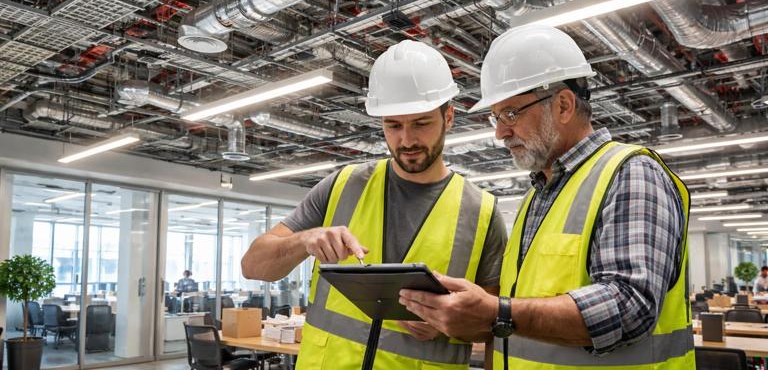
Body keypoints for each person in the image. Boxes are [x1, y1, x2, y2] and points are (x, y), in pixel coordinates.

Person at [399, 25, 694, 369]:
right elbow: (518, 318)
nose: (500, 133)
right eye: (496, 117)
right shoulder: (537, 196)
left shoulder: (631, 173)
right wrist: (468, 316)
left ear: (564, 105)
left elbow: (630, 307)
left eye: (511, 113)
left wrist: (497, 312)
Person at [241, 40, 507, 369]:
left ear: (448, 117)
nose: (406, 140)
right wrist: (304, 240)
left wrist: (450, 323)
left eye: (421, 123)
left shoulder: (481, 212)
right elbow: (253, 266)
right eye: (393, 125)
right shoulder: (343, 186)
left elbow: (494, 323)